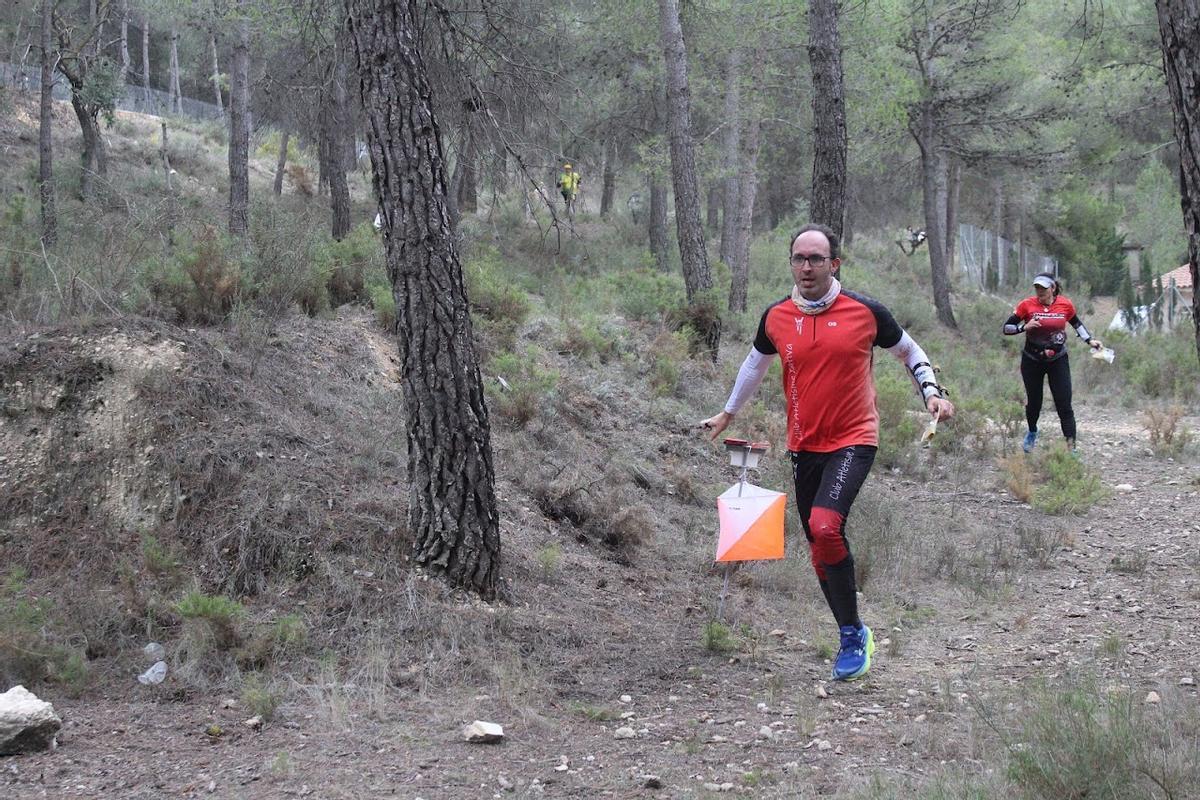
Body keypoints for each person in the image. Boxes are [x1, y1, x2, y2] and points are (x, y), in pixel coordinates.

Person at [699, 223, 955, 682]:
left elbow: (910, 352)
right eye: (799, 258)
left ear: (834, 264)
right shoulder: (776, 316)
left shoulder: (864, 312)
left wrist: (931, 393)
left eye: (816, 258)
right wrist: (727, 414)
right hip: (804, 444)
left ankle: (853, 639)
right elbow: (754, 364)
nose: (807, 267)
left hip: (854, 438)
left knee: (825, 524)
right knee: (819, 545)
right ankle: (852, 631)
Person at [1003, 272, 1103, 453]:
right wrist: (1024, 327)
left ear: (1053, 288)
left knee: (1064, 404)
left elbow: (1076, 324)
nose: (1040, 291)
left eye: (1043, 288)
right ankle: (1033, 431)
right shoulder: (1026, 305)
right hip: (1032, 360)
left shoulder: (1065, 304)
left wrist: (1090, 340)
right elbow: (1006, 328)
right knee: (1035, 403)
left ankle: (1071, 449)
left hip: (1058, 360)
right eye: (1037, 288)